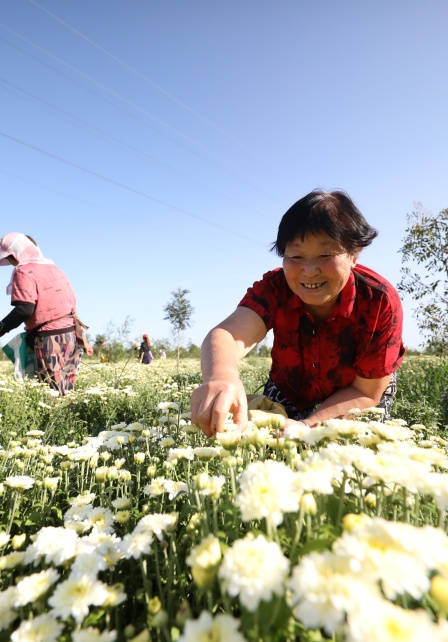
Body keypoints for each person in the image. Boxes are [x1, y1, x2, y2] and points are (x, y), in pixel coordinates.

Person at [191, 189, 405, 438]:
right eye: (296, 256)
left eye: (326, 255)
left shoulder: (379, 301)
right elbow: (228, 334)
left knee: (346, 456)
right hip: (291, 389)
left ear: (354, 254)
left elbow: (366, 392)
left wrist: (306, 427)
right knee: (274, 451)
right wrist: (221, 375)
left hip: (356, 393)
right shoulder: (275, 288)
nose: (310, 270)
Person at [0, 233, 84, 395]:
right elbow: (71, 305)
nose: (10, 262)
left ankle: (57, 420)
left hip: (49, 339)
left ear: (16, 253)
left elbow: (24, 309)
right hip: (71, 335)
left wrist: (2, 328)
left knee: (51, 393)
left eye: (9, 257)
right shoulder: (53, 267)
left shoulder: (23, 271)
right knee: (66, 392)